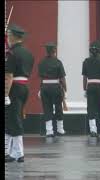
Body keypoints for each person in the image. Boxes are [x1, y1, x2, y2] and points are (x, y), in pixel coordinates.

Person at [5, 24, 34, 163]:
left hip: (13, 88)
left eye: (9, 35)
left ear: (14, 37)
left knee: (14, 119)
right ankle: (11, 152)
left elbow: (9, 76)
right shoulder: (28, 53)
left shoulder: (12, 53)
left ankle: (19, 153)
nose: (8, 38)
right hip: (24, 87)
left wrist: (5, 94)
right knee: (12, 118)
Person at [82, 41, 100, 137]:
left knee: (91, 108)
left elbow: (84, 77)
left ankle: (93, 130)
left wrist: (84, 89)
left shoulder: (86, 62)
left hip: (90, 86)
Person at [38, 42, 67, 137]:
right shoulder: (58, 62)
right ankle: (60, 129)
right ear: (54, 50)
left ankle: (49, 131)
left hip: (45, 88)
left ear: (47, 51)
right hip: (56, 87)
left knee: (47, 108)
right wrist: (65, 89)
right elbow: (62, 78)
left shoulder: (41, 62)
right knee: (58, 107)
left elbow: (41, 78)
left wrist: (40, 89)